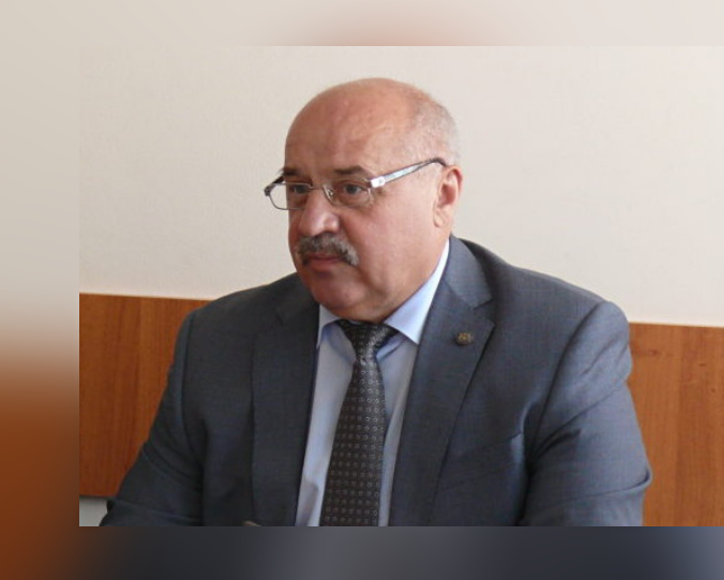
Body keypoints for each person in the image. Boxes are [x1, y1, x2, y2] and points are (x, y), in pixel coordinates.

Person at [101, 78, 651, 526]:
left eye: (352, 189)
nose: (312, 223)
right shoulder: (221, 339)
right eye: (298, 189)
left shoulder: (559, 342)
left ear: (443, 195)